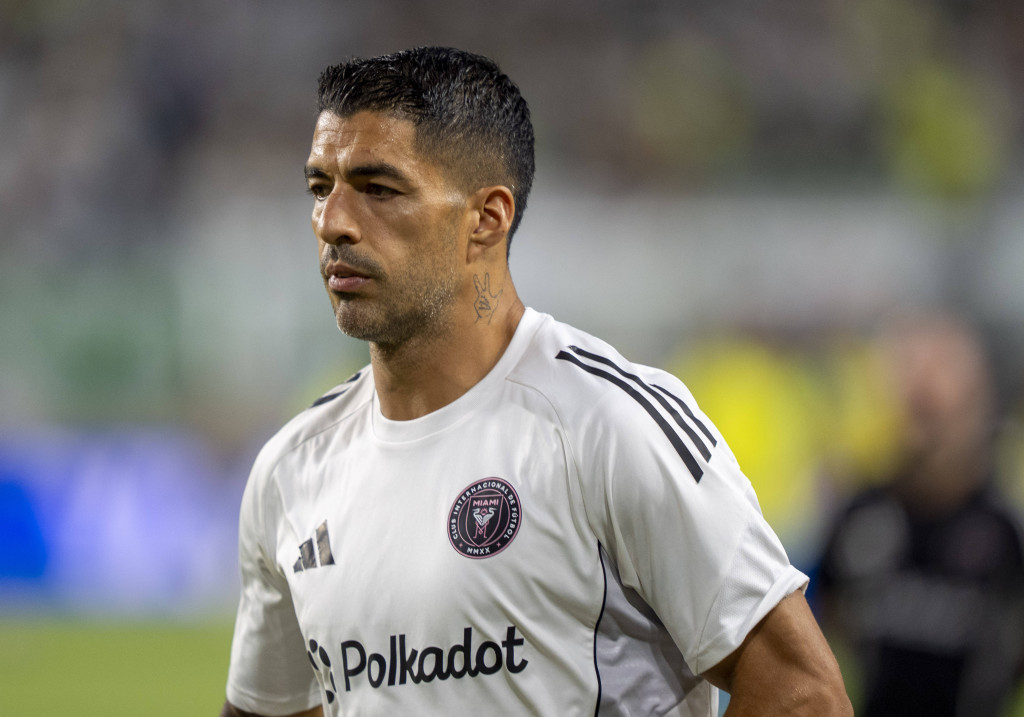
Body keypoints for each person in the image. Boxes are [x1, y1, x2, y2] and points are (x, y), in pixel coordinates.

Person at [220, 46, 851, 717]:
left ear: (487, 218)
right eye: (321, 187)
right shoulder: (291, 469)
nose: (333, 223)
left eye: (379, 189)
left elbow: (803, 695)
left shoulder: (606, 424)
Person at [816, 313, 1024, 717]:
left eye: (939, 410)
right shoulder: (860, 518)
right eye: (917, 408)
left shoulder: (1005, 534)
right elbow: (825, 630)